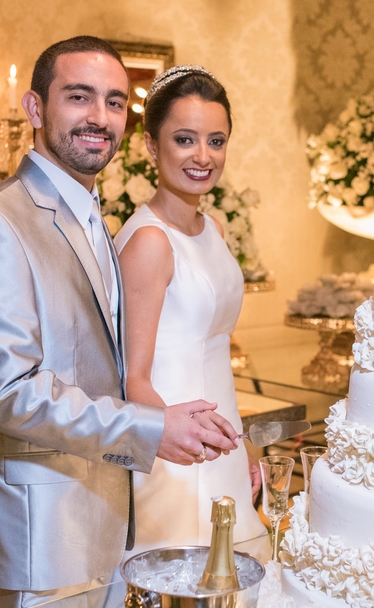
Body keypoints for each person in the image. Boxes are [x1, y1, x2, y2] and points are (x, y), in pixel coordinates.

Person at [0, 36, 242, 608]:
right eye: (79, 96)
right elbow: (5, 391)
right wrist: (149, 424)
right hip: (41, 529)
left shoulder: (91, 217)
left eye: (113, 101)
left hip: (103, 518)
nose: (98, 116)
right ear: (35, 107)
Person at [114, 64, 267, 549]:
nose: (203, 156)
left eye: (216, 141)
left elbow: (212, 352)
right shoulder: (150, 243)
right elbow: (131, 378)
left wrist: (237, 444)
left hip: (218, 442)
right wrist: (173, 438)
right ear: (150, 145)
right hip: (172, 452)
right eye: (185, 139)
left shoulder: (214, 228)